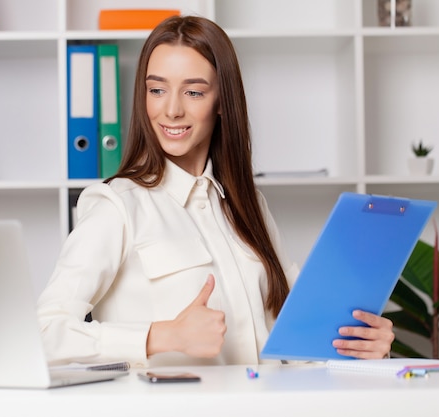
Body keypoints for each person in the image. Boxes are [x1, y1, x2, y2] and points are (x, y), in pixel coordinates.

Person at [37, 15, 394, 368]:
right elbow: (44, 331)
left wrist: (361, 347)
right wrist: (160, 336)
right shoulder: (117, 206)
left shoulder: (248, 205)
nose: (172, 110)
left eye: (193, 92)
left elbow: (296, 345)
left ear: (222, 101)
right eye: (157, 89)